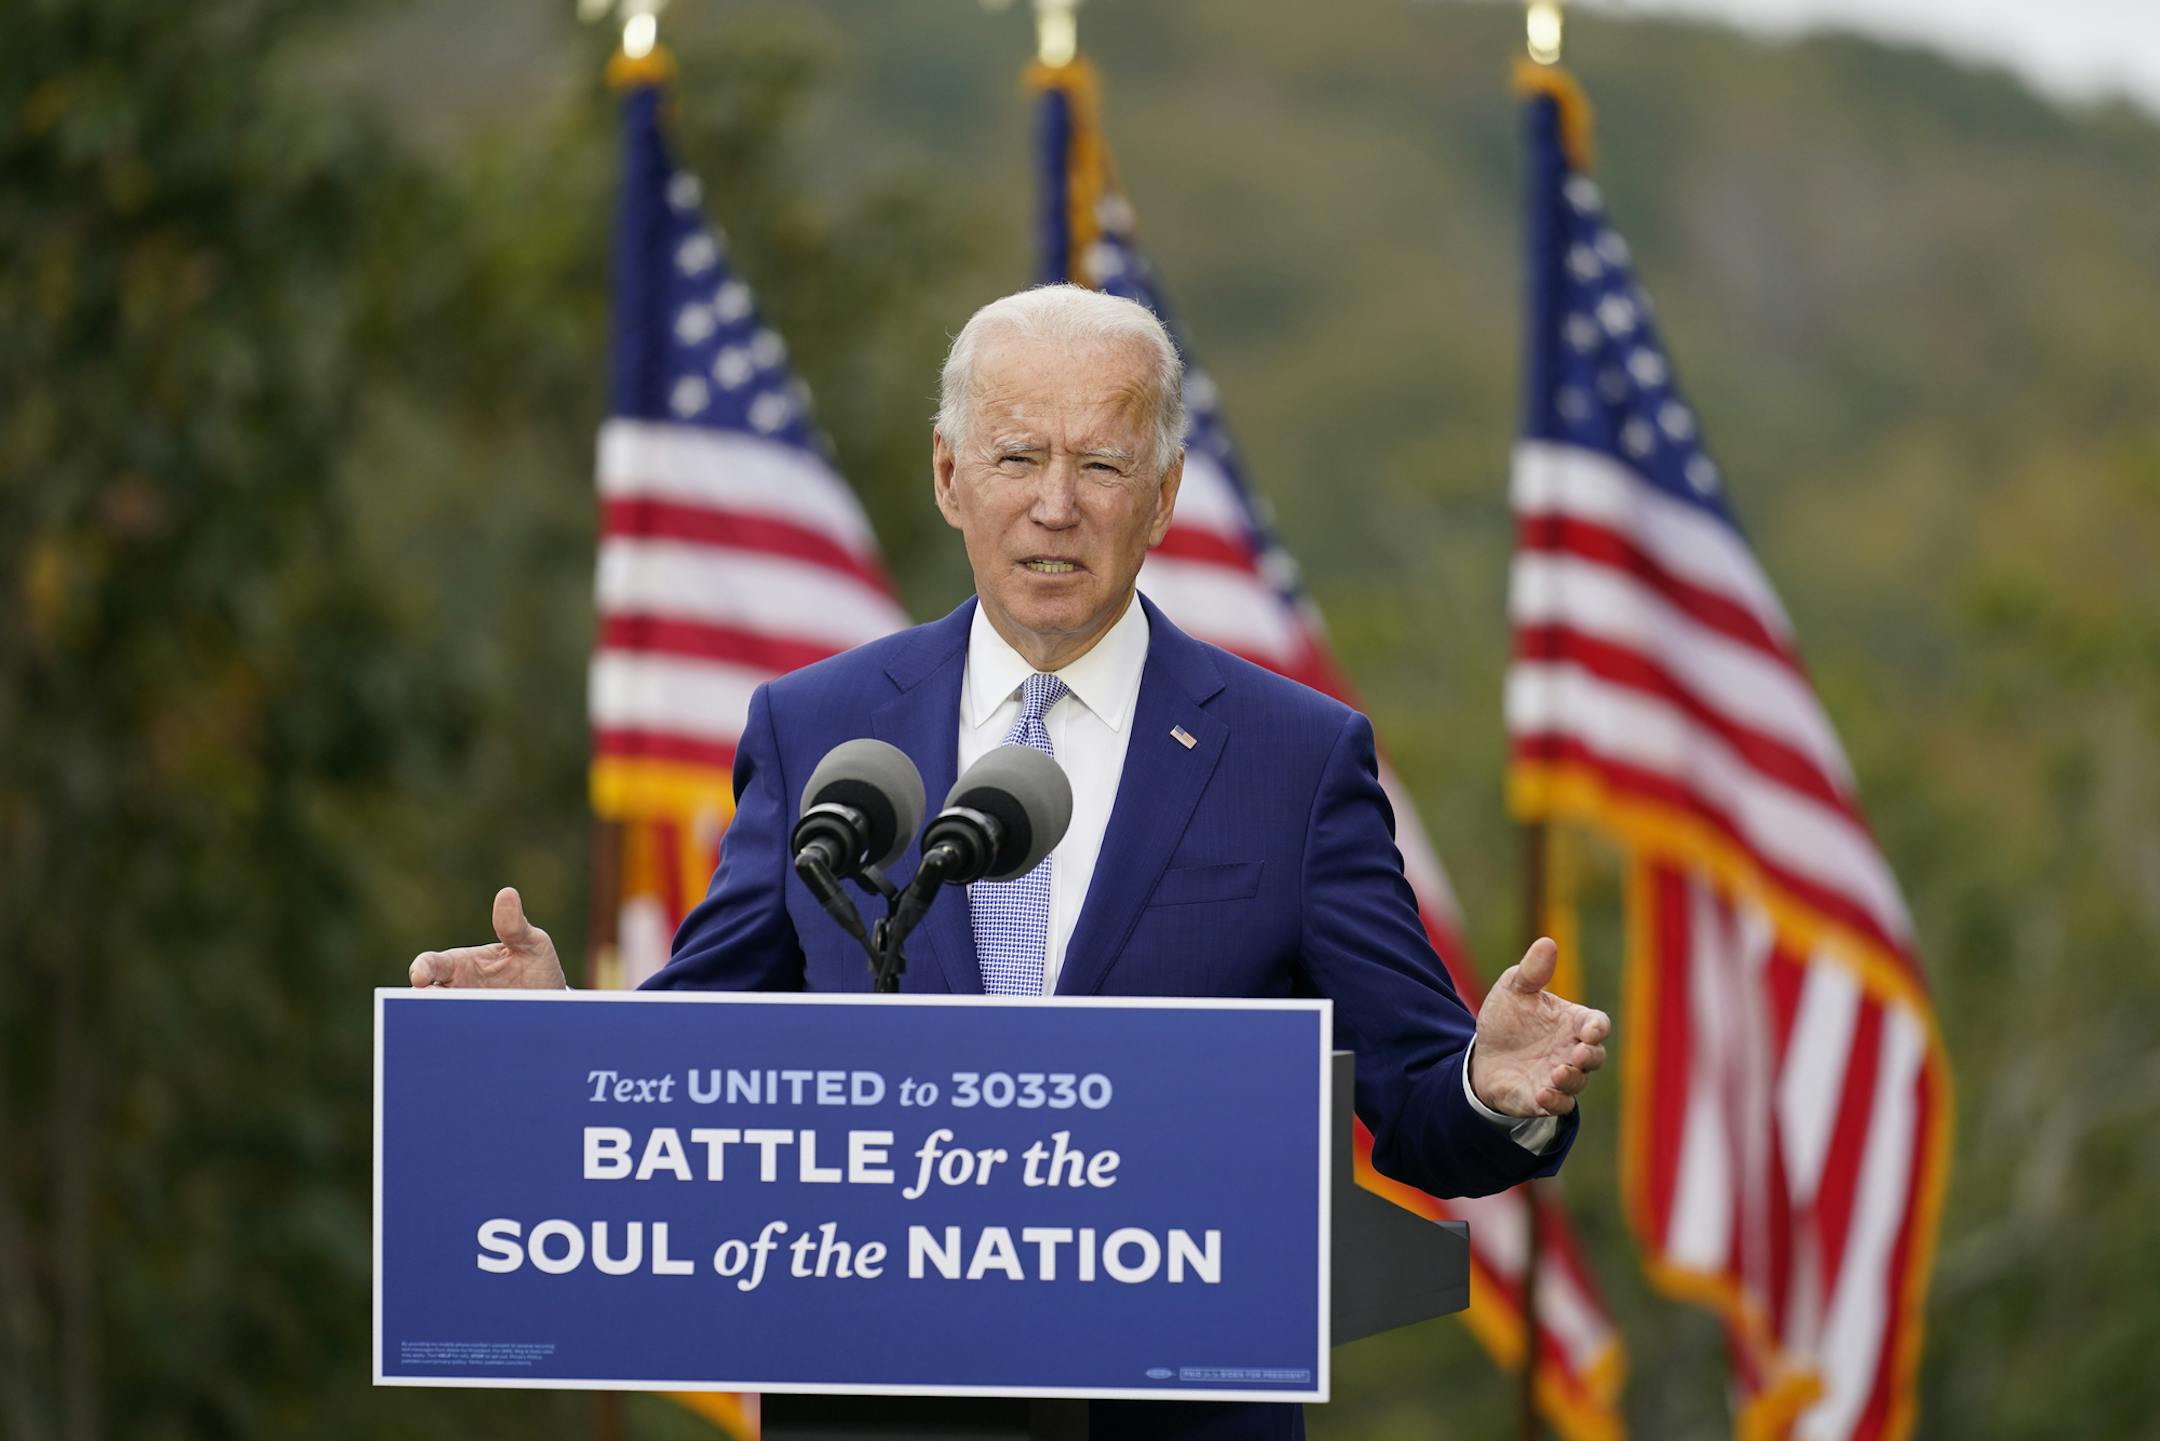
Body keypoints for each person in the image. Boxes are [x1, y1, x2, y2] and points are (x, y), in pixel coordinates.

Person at [411, 284, 1610, 1440]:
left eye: (1100, 464)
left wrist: (1486, 1091)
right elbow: (707, 1075)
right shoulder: (817, 729)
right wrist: (558, 1050)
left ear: (1165, 494)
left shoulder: (1292, 761)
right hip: (875, 1414)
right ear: (948, 476)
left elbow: (1411, 1101)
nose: (1055, 505)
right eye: (1017, 457)